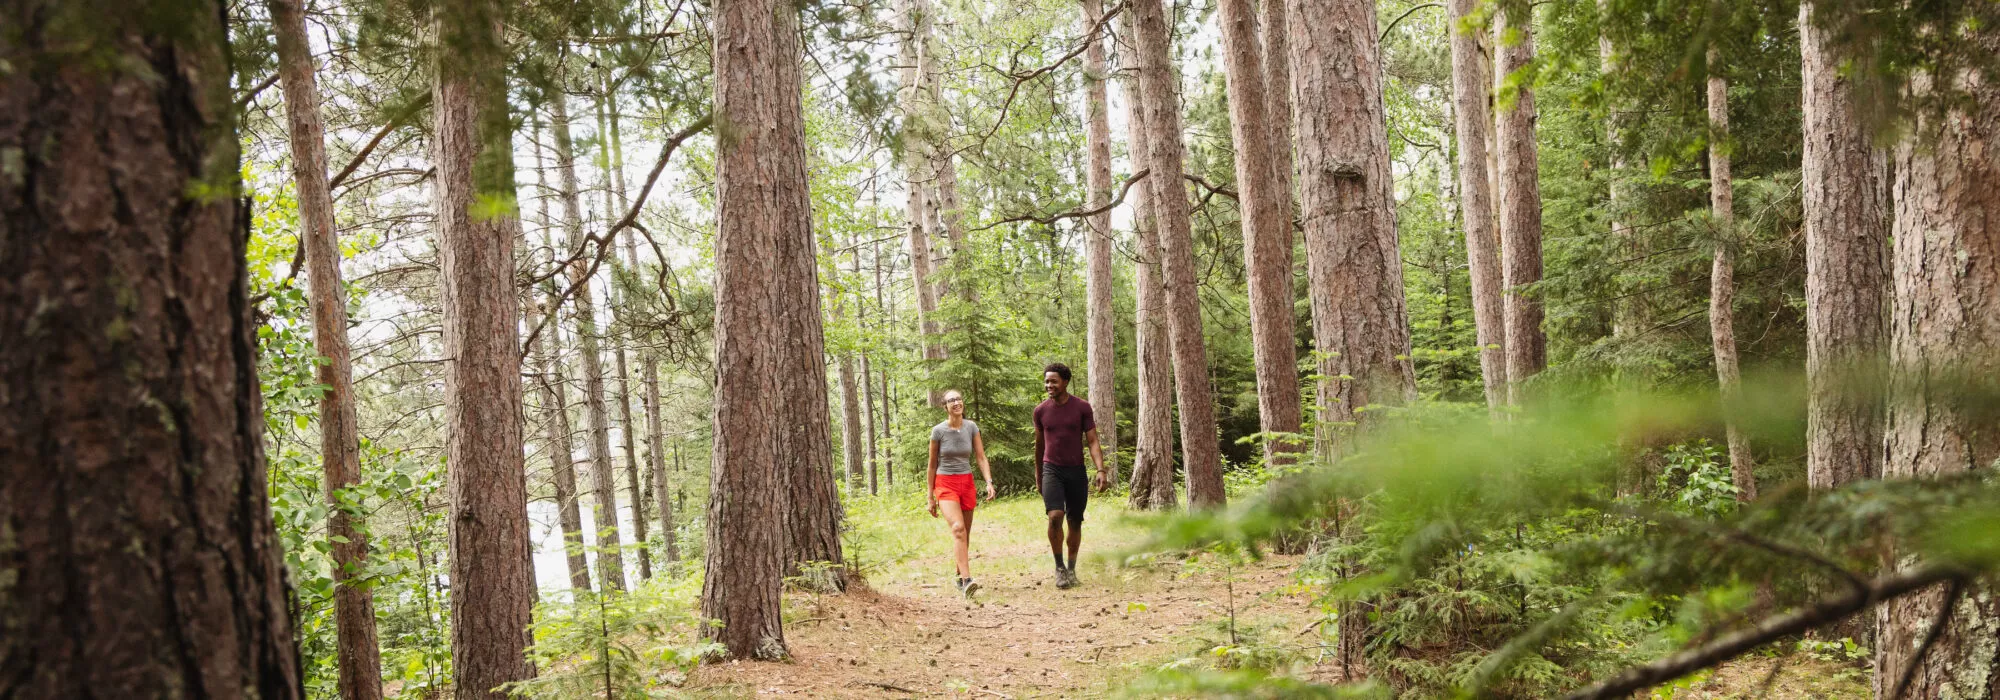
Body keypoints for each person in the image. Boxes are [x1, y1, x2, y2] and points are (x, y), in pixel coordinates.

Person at [1032, 363, 1110, 589]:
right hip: (1051, 470)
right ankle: (1059, 569)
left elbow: (1093, 440)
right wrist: (1039, 474)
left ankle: (1072, 569)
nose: (1049, 385)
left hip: (1076, 470)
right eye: (1047, 381)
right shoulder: (1040, 411)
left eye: (1053, 381)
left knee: (1075, 521)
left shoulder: (1082, 407)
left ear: (1065, 382)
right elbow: (1039, 446)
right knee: (1055, 516)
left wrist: (1100, 469)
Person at [929, 389, 996, 597]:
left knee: (965, 533)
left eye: (958, 399)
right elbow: (931, 465)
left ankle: (959, 576)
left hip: (966, 483)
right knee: (958, 529)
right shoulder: (938, 431)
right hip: (945, 482)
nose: (956, 403)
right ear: (945, 406)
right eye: (951, 400)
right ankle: (968, 580)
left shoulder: (971, 427)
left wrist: (989, 482)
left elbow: (981, 457)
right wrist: (930, 497)